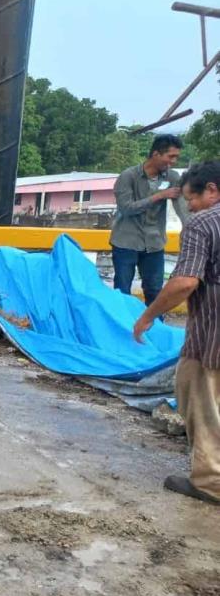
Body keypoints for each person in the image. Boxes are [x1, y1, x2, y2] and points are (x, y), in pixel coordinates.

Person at [133, 161, 220, 505]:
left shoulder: (203, 223)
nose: (190, 208)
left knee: (198, 395)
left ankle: (211, 482)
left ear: (211, 189)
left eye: (191, 199)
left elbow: (185, 281)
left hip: (212, 334)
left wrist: (148, 316)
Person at [110, 134, 189, 305]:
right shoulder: (128, 176)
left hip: (154, 243)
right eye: (171, 156)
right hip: (126, 243)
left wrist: (190, 228)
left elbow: (182, 206)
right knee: (122, 290)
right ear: (156, 154)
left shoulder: (172, 177)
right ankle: (121, 328)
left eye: (176, 157)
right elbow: (126, 208)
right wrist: (159, 196)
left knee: (154, 290)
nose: (174, 161)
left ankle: (155, 329)